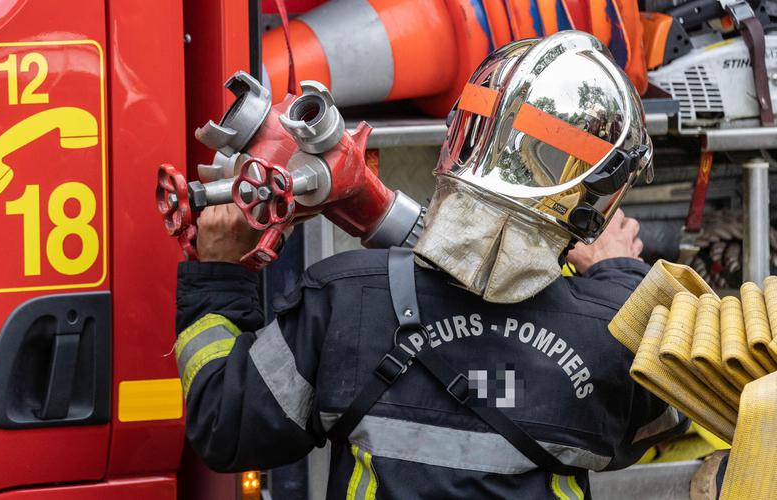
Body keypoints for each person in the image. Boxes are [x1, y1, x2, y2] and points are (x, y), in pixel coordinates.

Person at [173, 31, 687, 499]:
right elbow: (667, 418)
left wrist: (219, 275)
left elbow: (225, 425)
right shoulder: (609, 336)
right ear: (595, 196)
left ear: (462, 132)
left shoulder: (342, 301)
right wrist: (620, 274)